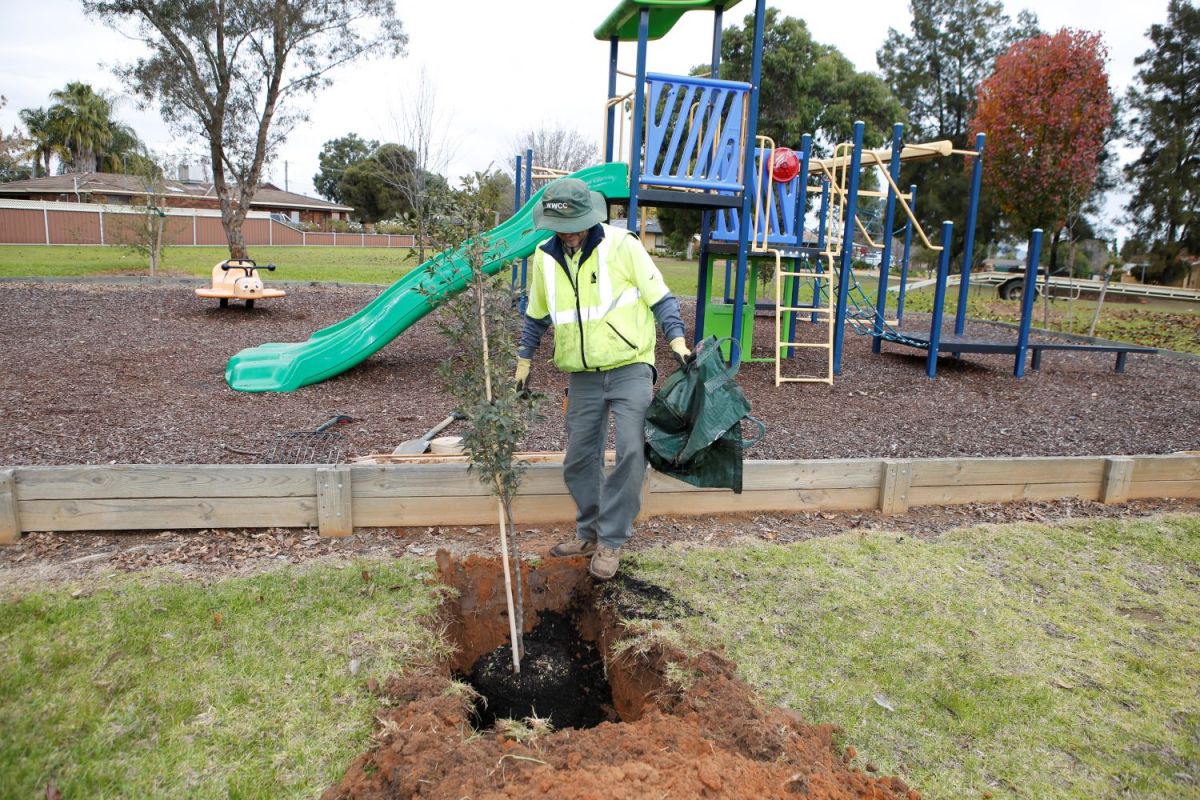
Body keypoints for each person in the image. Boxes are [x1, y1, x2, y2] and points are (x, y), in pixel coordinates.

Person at [515, 177, 691, 580]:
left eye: (577, 221)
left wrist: (677, 341)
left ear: (591, 215)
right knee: (578, 459)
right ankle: (589, 532)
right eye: (563, 225)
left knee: (631, 450)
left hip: (630, 366)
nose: (570, 231)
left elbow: (660, 297)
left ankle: (611, 540)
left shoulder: (622, 245)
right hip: (582, 376)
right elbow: (536, 315)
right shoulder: (545, 257)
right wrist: (523, 361)